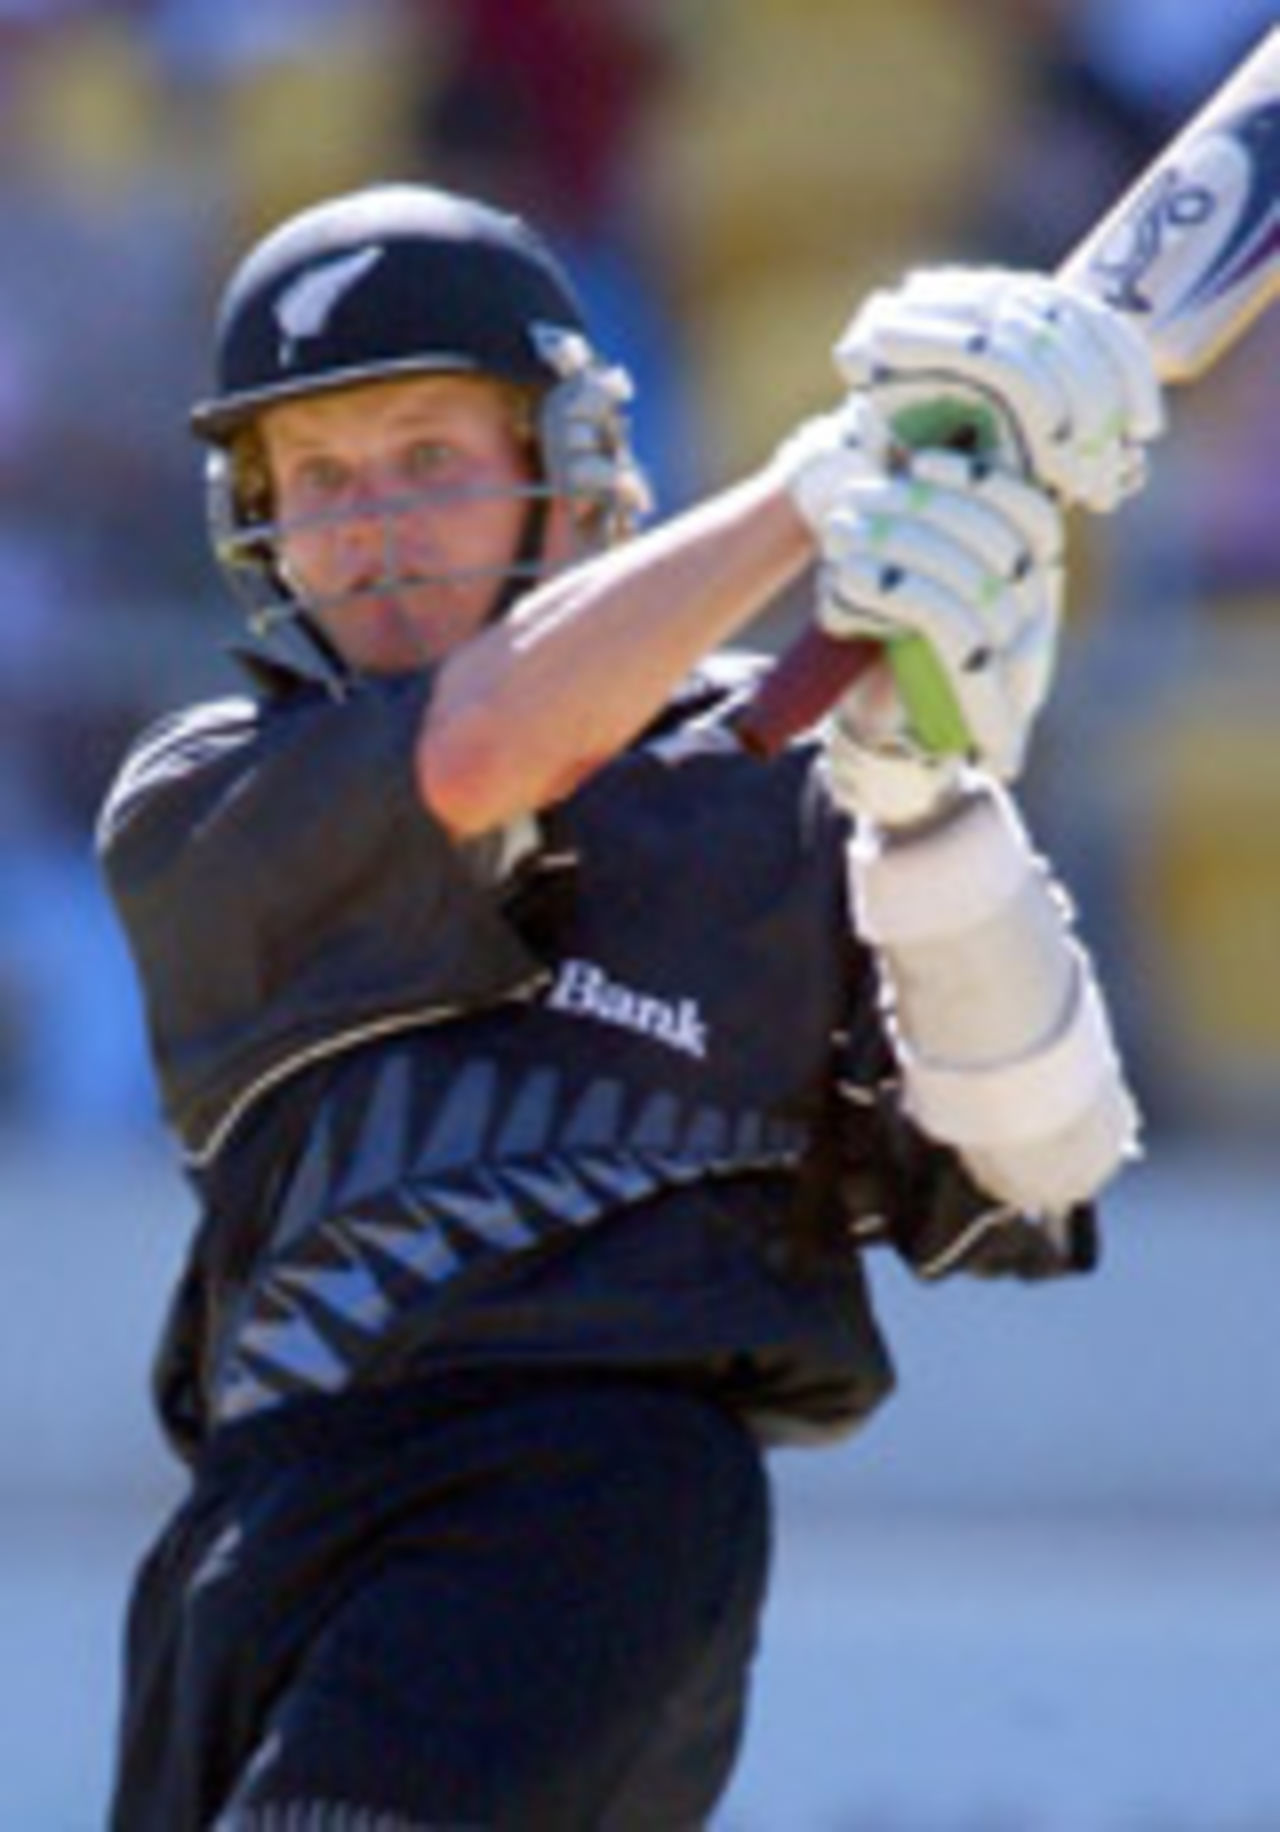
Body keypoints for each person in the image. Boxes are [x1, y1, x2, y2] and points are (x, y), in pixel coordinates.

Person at [98, 184, 1161, 1830]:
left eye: (428, 456)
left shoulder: (794, 779)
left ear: (572, 468)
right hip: (252, 1537)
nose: (370, 525)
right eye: (317, 478)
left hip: (589, 1498)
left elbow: (1042, 1163)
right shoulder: (202, 798)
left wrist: (927, 804)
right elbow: (475, 754)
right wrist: (816, 490)